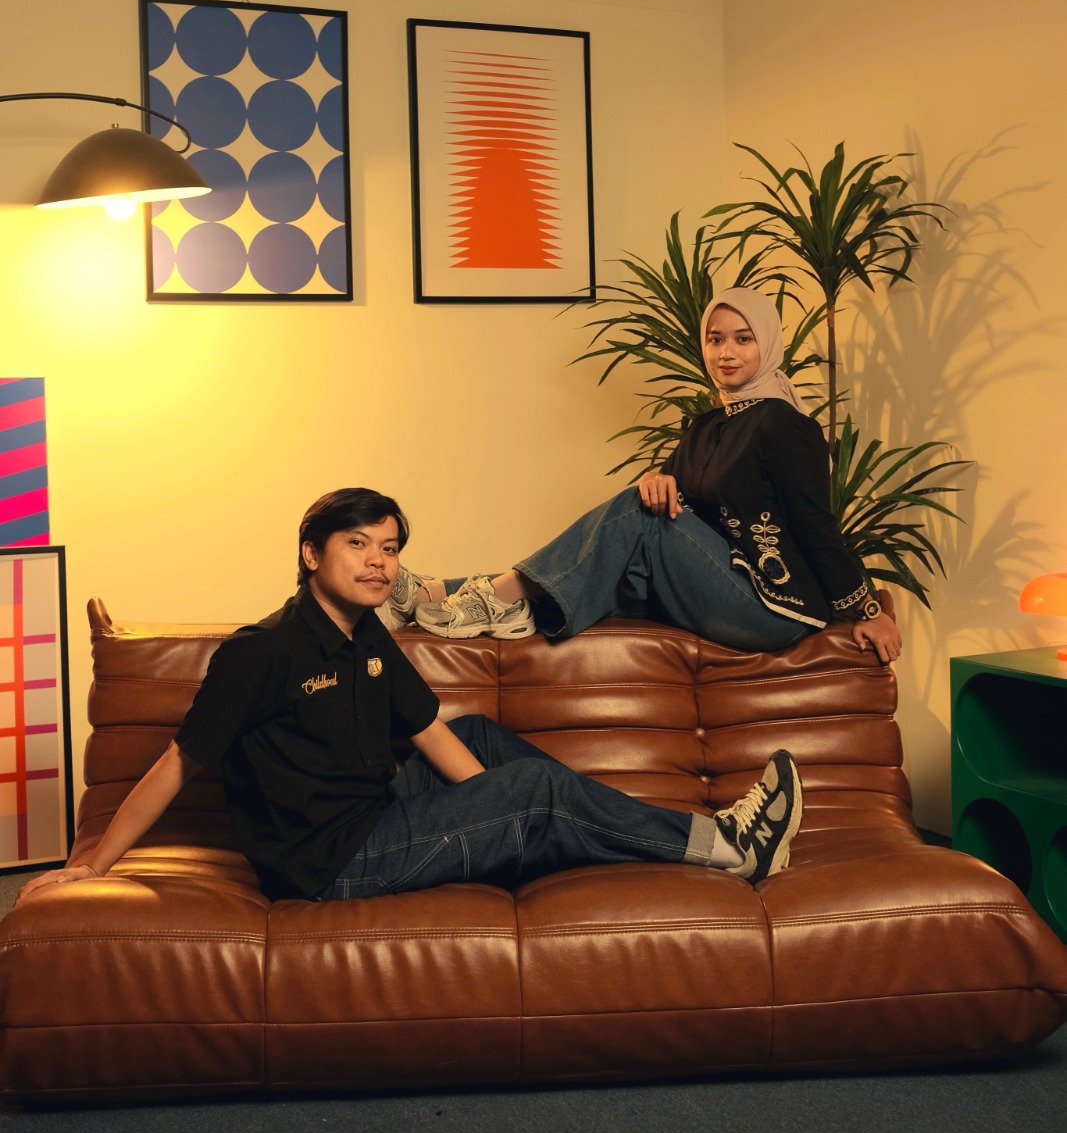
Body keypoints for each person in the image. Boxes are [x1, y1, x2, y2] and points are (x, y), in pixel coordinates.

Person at [16, 487, 803, 909]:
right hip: (327, 863)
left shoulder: (365, 634)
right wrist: (90, 864)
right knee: (530, 789)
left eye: (389, 548)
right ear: (311, 553)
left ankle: (556, 833)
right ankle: (724, 846)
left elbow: (428, 731)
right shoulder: (261, 652)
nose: (378, 563)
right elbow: (178, 764)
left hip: (376, 813)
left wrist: (492, 820)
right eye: (357, 544)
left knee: (481, 739)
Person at [400, 287, 902, 664]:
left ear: (767, 344)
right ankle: (430, 594)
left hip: (774, 606)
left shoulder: (783, 423)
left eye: (743, 339)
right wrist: (656, 477)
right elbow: (684, 507)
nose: (726, 353)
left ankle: (485, 599)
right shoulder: (706, 425)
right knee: (599, 564)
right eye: (715, 339)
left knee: (633, 514)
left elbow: (815, 524)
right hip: (719, 584)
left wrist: (868, 611)